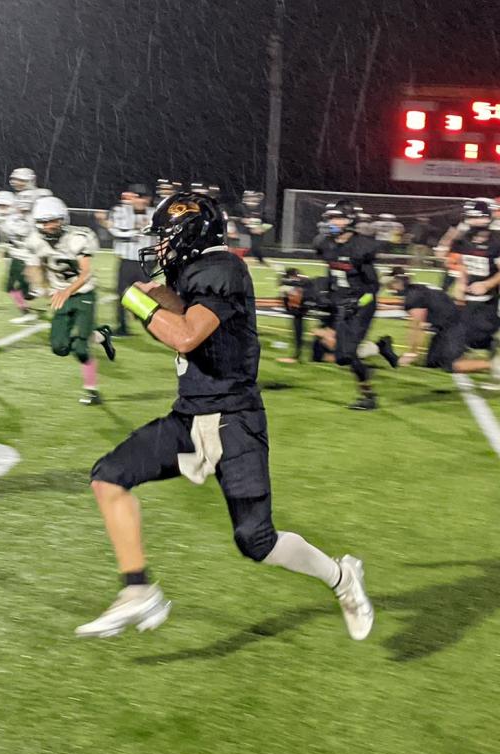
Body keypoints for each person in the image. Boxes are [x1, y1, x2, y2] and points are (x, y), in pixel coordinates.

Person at [77, 192, 373, 640]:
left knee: (257, 541)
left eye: (165, 238)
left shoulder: (223, 269)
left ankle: (342, 577)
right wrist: (156, 297)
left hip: (235, 421)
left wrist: (139, 304)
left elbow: (187, 336)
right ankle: (138, 590)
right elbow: (185, 313)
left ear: (191, 233)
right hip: (189, 417)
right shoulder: (199, 271)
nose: (159, 249)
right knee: (109, 477)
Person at [25, 196, 117, 405]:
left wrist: (66, 292)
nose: (51, 226)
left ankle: (92, 391)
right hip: (60, 295)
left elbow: (85, 273)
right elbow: (34, 267)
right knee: (59, 347)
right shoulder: (35, 241)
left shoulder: (76, 237)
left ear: (63, 219)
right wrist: (41, 288)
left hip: (83, 293)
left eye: (55, 220)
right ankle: (100, 335)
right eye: (46, 221)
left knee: (81, 349)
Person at [313, 199, 383, 410]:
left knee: (346, 354)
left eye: (337, 218)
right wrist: (327, 293)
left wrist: (358, 302)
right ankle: (371, 357)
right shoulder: (325, 244)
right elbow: (332, 270)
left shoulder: (361, 247)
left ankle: (368, 397)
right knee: (342, 358)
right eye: (330, 218)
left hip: (362, 305)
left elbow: (374, 287)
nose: (332, 222)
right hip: (342, 302)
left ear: (350, 220)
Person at [388, 268, 498, 375]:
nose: (389, 286)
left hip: (455, 327)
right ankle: (484, 345)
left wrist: (411, 353)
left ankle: (493, 364)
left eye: (391, 283)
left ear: (398, 283)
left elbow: (417, 327)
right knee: (432, 362)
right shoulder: (417, 289)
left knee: (450, 365)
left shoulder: (413, 297)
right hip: (447, 327)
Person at [449, 199, 500, 353]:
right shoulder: (464, 238)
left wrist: (487, 285)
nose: (472, 221)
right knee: (468, 337)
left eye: (476, 217)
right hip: (473, 295)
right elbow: (463, 263)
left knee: (485, 331)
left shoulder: (496, 239)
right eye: (470, 217)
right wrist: (461, 282)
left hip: (493, 295)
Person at [107, 184, 155, 336]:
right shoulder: (120, 212)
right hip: (127, 260)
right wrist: (132, 233)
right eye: (135, 197)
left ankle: (155, 328)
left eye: (141, 197)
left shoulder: (155, 214)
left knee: (146, 296)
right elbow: (114, 230)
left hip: (146, 262)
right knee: (121, 294)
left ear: (147, 199)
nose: (138, 201)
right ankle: (122, 327)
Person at [0, 190, 38, 323]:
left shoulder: (19, 220)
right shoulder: (3, 219)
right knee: (11, 286)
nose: (1, 209)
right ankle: (27, 303)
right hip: (17, 255)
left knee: (15, 286)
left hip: (26, 256)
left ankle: (30, 301)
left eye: (5, 206)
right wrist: (5, 248)